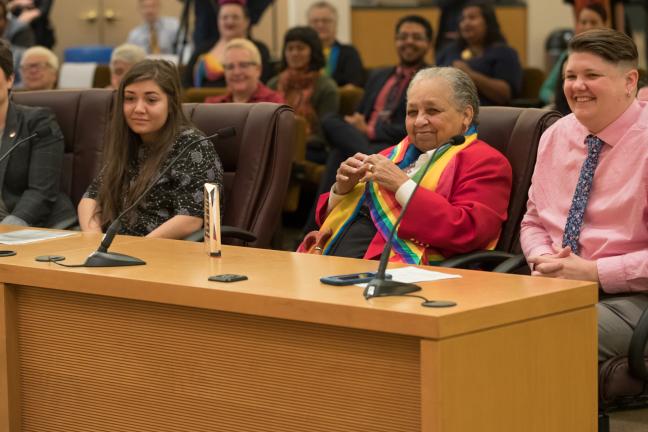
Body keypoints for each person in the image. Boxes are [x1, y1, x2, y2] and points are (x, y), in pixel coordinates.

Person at [520, 28, 648, 364]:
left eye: (592, 75)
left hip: (635, 298)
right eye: (570, 76)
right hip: (553, 283)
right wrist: (543, 258)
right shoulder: (556, 134)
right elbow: (533, 218)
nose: (577, 86)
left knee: (536, 335)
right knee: (470, 324)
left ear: (629, 81)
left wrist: (595, 273)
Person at [298, 66, 512, 264]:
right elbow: (326, 219)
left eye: (432, 111)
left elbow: (468, 231)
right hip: (326, 258)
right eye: (412, 112)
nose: (419, 121)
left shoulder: (486, 162)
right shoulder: (389, 155)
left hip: (397, 276)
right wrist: (341, 191)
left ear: (466, 115)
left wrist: (402, 186)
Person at [78, 60, 223, 239]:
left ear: (171, 104)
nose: (138, 109)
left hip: (166, 255)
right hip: (116, 250)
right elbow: (91, 198)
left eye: (151, 100)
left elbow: (191, 220)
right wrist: (93, 238)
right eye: (130, 98)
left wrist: (139, 248)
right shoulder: (129, 141)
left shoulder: (192, 144)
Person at [315, 15, 433, 201]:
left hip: (394, 143)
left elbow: (417, 124)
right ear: (396, 41)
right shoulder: (378, 75)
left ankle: (315, 226)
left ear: (428, 43)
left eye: (416, 37)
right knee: (329, 119)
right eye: (403, 37)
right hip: (361, 139)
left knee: (339, 152)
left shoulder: (430, 80)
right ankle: (370, 157)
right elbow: (359, 113)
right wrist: (356, 124)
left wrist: (370, 130)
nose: (408, 42)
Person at [0, 39, 73, 227]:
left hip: (38, 226)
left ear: (10, 79)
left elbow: (42, 192)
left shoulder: (38, 122)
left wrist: (7, 230)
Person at [268, 26, 338, 163]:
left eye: (300, 48)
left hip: (312, 148)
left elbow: (325, 134)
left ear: (313, 52)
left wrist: (296, 139)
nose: (294, 53)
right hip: (275, 145)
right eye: (290, 48)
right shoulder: (273, 84)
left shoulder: (326, 87)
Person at [436, 0, 522, 106]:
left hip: (487, 114)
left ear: (488, 22)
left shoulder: (504, 52)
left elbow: (504, 95)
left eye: (472, 18)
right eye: (462, 19)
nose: (465, 23)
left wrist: (469, 74)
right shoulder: (450, 51)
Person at [183, 0, 272, 88]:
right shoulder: (202, 51)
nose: (229, 22)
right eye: (224, 17)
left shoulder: (260, 50)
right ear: (218, 21)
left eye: (235, 17)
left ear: (247, 21)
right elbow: (186, 85)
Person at [538, 3, 607, 110]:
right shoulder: (567, 55)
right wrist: (560, 98)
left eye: (593, 22)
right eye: (583, 22)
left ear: (605, 25)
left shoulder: (611, 55)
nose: (588, 27)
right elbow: (545, 90)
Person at [205, 38, 283, 104]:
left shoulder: (275, 104)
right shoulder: (212, 105)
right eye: (230, 67)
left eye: (243, 65)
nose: (237, 72)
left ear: (258, 69)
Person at [306, 1, 365, 88]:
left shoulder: (349, 53)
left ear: (335, 24)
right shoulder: (301, 54)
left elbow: (353, 86)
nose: (320, 25)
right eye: (315, 21)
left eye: (326, 21)